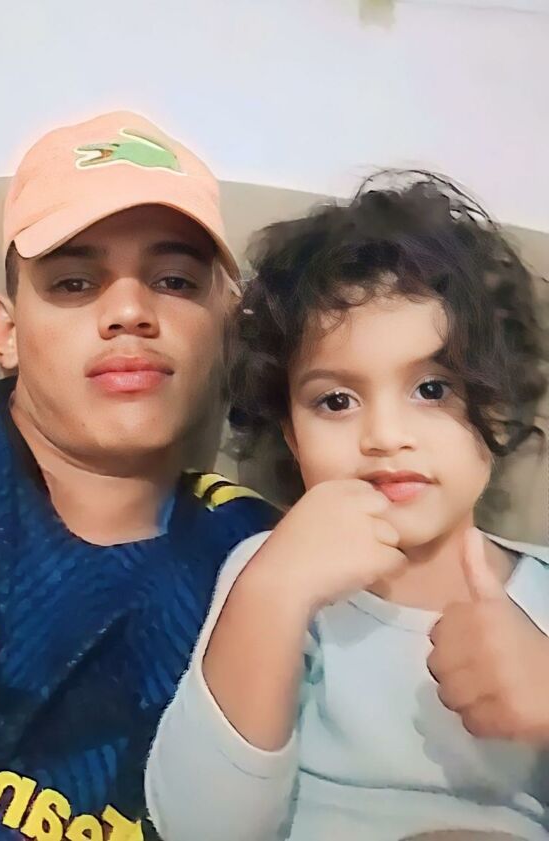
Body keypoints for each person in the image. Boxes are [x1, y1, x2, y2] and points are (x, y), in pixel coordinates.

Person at [145, 173, 549, 840]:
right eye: (336, 401)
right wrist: (273, 595)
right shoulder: (272, 574)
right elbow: (198, 827)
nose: (385, 435)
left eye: (432, 388)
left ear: (499, 408)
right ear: (291, 434)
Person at [0, 110, 277, 839]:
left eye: (174, 280)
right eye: (75, 282)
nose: (130, 311)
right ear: (7, 330)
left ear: (226, 329)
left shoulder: (260, 562)